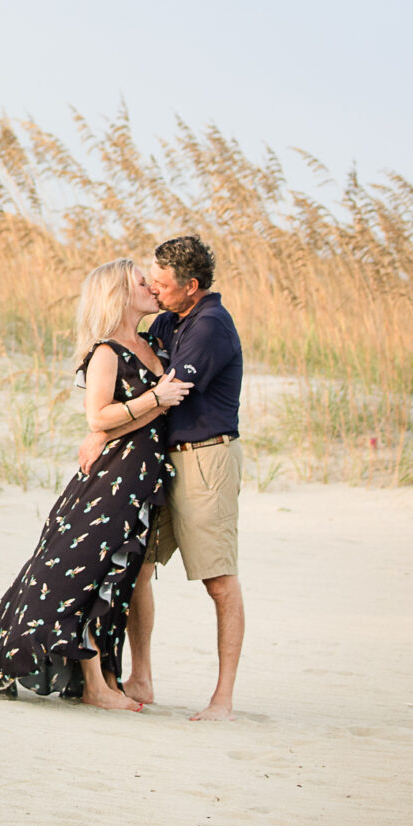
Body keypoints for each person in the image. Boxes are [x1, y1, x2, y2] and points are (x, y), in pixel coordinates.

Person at [0, 259, 192, 709]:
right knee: (87, 574)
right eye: (142, 282)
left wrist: (146, 409)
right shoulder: (106, 352)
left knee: (121, 577)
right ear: (119, 294)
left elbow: (134, 418)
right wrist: (154, 399)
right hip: (113, 479)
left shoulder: (155, 343)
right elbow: (98, 416)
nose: (152, 288)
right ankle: (95, 687)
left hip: (143, 478)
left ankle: (107, 681)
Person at [104, 235, 246, 720]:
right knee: (139, 567)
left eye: (162, 285)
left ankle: (222, 700)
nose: (155, 290)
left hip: (206, 460)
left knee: (219, 581)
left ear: (191, 285)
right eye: (152, 282)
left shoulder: (210, 327)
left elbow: (167, 395)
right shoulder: (171, 317)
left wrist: (100, 432)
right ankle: (141, 676)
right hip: (164, 461)